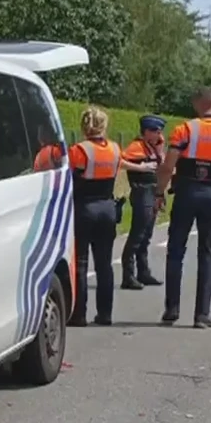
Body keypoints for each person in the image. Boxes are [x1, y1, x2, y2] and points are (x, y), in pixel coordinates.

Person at [155, 87, 211, 328]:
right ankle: (202, 314)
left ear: (198, 103)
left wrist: (159, 193)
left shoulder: (184, 130)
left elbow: (167, 165)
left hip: (186, 192)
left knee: (175, 250)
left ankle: (172, 309)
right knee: (207, 254)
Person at [66, 106, 123, 326]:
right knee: (104, 263)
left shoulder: (79, 150)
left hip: (84, 208)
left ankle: (79, 314)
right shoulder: (115, 149)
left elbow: (70, 178)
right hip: (107, 208)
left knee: (80, 263)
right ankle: (105, 313)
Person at [118, 115, 165, 290]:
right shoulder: (136, 147)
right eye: (155, 131)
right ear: (146, 132)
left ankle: (143, 272)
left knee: (147, 235)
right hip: (141, 192)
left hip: (153, 192)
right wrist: (140, 167)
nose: (159, 134)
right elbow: (119, 161)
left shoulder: (153, 148)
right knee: (137, 235)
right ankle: (128, 276)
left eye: (160, 131)